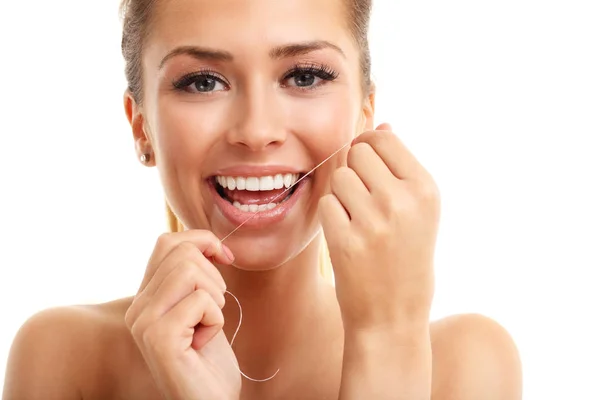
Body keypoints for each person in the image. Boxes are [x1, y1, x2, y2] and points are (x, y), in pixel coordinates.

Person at [2, 0, 522, 399]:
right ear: (141, 127)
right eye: (203, 81)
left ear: (365, 112)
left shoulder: (465, 366)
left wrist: (387, 342)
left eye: (305, 75)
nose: (256, 130)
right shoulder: (64, 360)